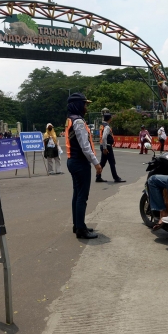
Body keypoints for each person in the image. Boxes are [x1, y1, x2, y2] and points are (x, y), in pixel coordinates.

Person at [65, 93, 102, 239]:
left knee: (77, 195)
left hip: (72, 160)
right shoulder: (78, 121)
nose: (86, 107)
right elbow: (85, 146)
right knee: (82, 196)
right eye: (85, 104)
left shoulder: (70, 119)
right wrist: (96, 163)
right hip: (80, 162)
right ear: (78, 105)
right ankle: (81, 229)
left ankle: (78, 225)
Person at [96, 113, 126, 183]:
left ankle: (98, 176)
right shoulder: (107, 127)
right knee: (112, 162)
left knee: (102, 163)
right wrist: (105, 147)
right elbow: (104, 137)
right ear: (109, 119)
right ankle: (116, 178)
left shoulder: (102, 125)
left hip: (103, 145)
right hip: (107, 146)